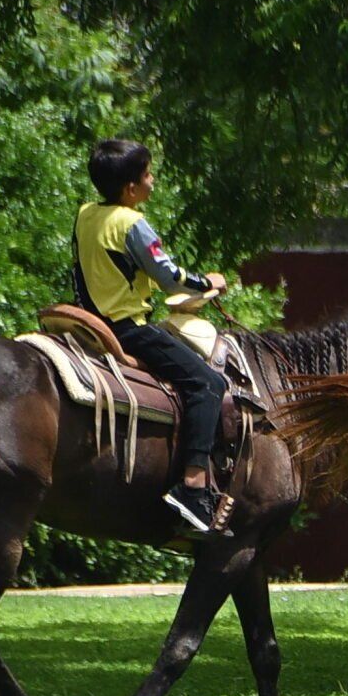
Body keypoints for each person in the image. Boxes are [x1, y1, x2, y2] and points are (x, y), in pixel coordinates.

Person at [72, 138, 231, 536]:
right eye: (147, 174)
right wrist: (207, 282)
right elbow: (168, 276)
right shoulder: (132, 223)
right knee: (208, 383)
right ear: (130, 188)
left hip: (90, 323)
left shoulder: (85, 214)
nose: (152, 180)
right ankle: (194, 488)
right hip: (128, 330)